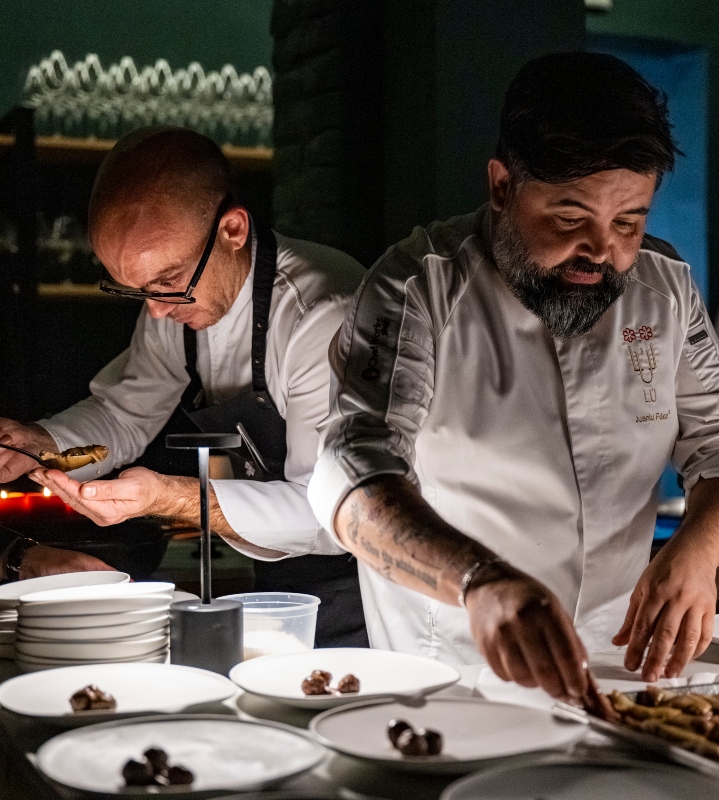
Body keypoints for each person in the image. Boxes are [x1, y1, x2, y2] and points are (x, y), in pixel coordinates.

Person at [304, 52, 719, 698]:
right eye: (568, 217)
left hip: (623, 674)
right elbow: (352, 470)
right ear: (501, 186)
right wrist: (479, 579)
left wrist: (702, 542)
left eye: (628, 222)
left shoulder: (666, 292)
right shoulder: (418, 286)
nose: (601, 251)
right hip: (454, 675)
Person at [3, 127, 369, 647]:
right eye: (134, 289)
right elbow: (128, 409)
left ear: (234, 230)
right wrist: (44, 443)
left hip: (367, 582)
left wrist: (169, 498)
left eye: (166, 283)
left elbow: (327, 514)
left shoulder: (320, 316)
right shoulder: (175, 297)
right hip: (276, 577)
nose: (155, 311)